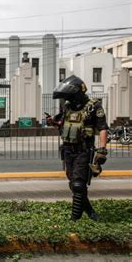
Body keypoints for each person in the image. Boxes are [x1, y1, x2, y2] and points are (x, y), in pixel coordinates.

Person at [46, 75, 108, 222]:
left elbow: (103, 129)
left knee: (78, 184)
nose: (67, 100)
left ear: (77, 94)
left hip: (84, 150)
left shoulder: (94, 106)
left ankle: (74, 219)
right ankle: (91, 213)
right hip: (68, 150)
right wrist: (51, 122)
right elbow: (61, 124)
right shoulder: (68, 106)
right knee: (74, 184)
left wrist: (102, 150)